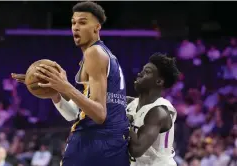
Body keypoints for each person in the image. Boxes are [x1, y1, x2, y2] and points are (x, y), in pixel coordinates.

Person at [11, 2, 130, 166]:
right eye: (73, 22)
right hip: (111, 146)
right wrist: (55, 93)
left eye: (82, 22)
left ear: (96, 27)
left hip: (93, 143)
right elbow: (76, 114)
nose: (75, 27)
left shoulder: (94, 53)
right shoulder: (104, 55)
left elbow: (100, 114)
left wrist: (65, 86)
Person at [126, 53, 180, 166]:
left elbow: (136, 150)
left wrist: (121, 122)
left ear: (159, 81)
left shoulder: (159, 111)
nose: (139, 74)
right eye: (142, 70)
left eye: (147, 72)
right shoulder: (131, 104)